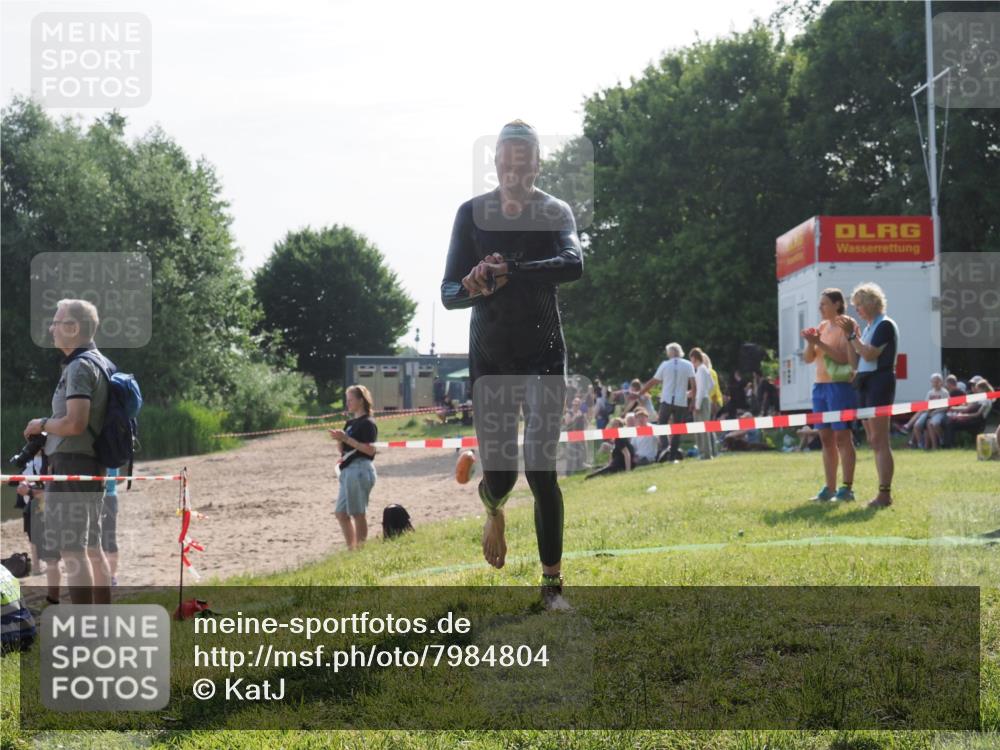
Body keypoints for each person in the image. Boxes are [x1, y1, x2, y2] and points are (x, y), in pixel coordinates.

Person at [441, 119, 583, 608]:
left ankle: (552, 586)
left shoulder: (554, 210)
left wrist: (511, 271)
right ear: (496, 164)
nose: (514, 173)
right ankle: (492, 506)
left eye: (523, 165)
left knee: (542, 470)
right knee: (502, 477)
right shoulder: (472, 215)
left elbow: (573, 263)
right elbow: (447, 294)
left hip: (544, 353)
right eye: (505, 164)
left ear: (537, 165)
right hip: (492, 359)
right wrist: (474, 283)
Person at [23, 299, 112, 605]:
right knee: (91, 546)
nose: (51, 328)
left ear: (74, 329)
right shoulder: (101, 362)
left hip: (72, 462)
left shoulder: (79, 366)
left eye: (57, 322)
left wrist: (41, 424)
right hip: (91, 463)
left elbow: (75, 423)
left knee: (72, 551)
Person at [838, 282, 898, 509]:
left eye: (860, 304)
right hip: (864, 383)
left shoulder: (885, 325)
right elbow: (857, 361)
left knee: (880, 440)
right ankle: (882, 492)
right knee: (873, 440)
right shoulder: (869, 327)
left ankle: (885, 493)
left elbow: (870, 354)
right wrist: (849, 337)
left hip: (879, 383)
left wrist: (853, 338)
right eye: (855, 306)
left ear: (874, 302)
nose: (857, 310)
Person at [801, 288, 857, 502]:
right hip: (820, 386)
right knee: (825, 437)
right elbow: (808, 359)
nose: (820, 307)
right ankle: (830, 488)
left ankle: (847, 488)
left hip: (840, 386)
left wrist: (819, 343)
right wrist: (810, 343)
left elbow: (846, 359)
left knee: (843, 437)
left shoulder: (847, 325)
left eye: (824, 303)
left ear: (837, 304)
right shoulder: (823, 326)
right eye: (820, 303)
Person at [328, 385, 378, 551]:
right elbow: (344, 449)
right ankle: (352, 549)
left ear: (361, 400)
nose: (347, 403)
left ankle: (360, 550)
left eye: (350, 399)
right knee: (341, 513)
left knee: (358, 513)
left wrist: (347, 439)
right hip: (348, 470)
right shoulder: (350, 422)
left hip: (360, 469)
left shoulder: (368, 423)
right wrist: (339, 439)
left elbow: (370, 450)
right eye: (347, 400)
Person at [15, 450, 62, 604]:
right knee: (33, 538)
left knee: (52, 558)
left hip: (51, 511)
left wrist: (29, 491)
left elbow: (53, 492)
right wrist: (24, 485)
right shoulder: (30, 460)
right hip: (32, 507)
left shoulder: (53, 460)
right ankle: (36, 568)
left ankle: (53, 598)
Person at [640, 343, 695, 462]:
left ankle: (666, 448)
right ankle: (672, 456)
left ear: (669, 353)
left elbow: (654, 381)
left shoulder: (665, 365)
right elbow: (693, 384)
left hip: (666, 400)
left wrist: (642, 391)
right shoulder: (688, 364)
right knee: (677, 429)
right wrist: (693, 401)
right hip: (681, 401)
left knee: (661, 425)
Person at [943, 379, 994, 447]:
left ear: (983, 389)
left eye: (978, 389)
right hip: (970, 419)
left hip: (976, 422)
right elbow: (968, 408)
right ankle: (948, 444)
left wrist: (964, 416)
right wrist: (953, 408)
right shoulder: (980, 399)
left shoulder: (987, 401)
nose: (977, 391)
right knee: (949, 421)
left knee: (951, 423)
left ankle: (950, 445)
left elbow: (977, 415)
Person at [688, 348, 718, 460]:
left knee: (702, 429)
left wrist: (697, 404)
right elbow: (711, 385)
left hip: (701, 401)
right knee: (705, 427)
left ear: (694, 358)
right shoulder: (705, 369)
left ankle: (705, 454)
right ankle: (709, 452)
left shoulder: (700, 370)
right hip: (705, 399)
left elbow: (700, 390)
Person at [905, 373, 948, 450]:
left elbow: (946, 406)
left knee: (934, 423)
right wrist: (928, 411)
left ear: (941, 382)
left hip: (939, 412)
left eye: (937, 381)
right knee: (917, 425)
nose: (935, 383)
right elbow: (926, 404)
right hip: (928, 412)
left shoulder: (945, 392)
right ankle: (920, 445)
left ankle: (942, 439)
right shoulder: (930, 393)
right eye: (934, 381)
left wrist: (934, 412)